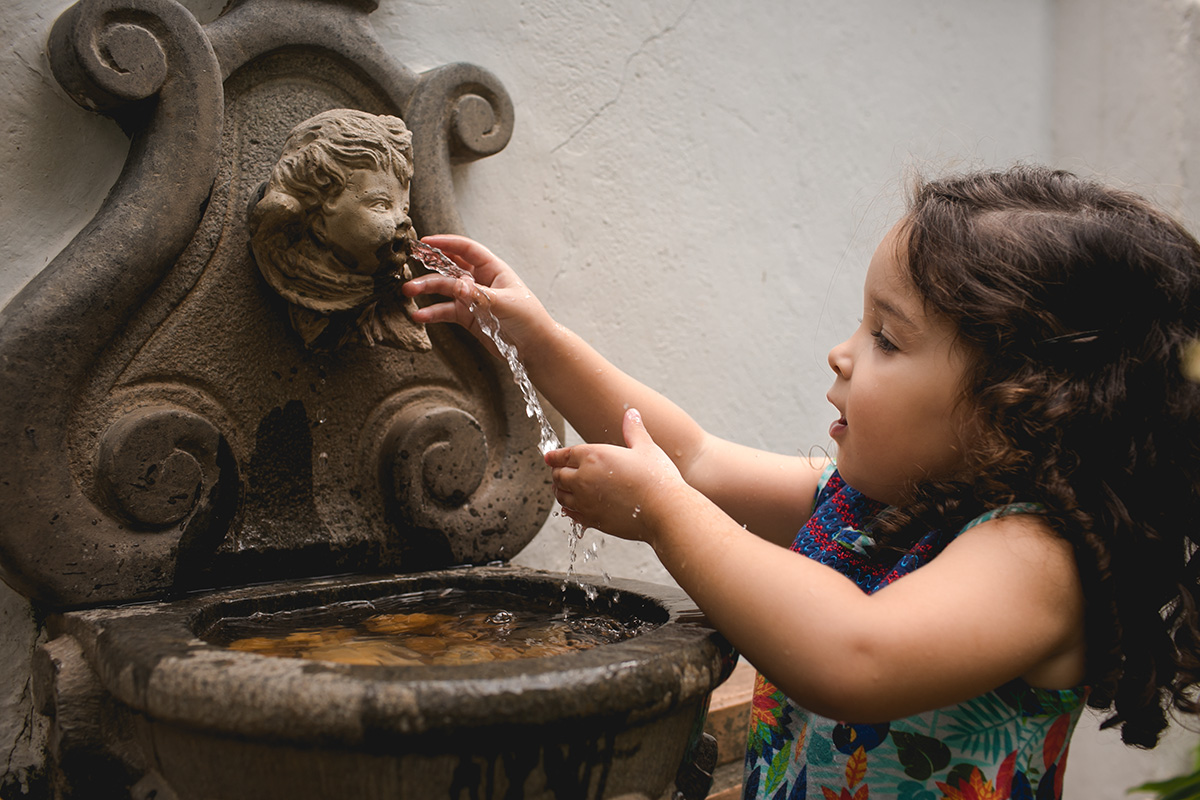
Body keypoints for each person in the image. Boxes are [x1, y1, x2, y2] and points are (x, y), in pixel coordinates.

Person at [402, 165, 1200, 799]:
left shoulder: (1035, 558)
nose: (842, 352)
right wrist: (535, 336)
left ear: (1016, 406)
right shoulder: (875, 511)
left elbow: (857, 657)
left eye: (887, 338)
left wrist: (665, 516)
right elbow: (696, 458)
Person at [249, 108, 430, 351]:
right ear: (317, 220)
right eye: (381, 204)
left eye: (404, 208)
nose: (405, 222)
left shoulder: (389, 278)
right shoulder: (286, 247)